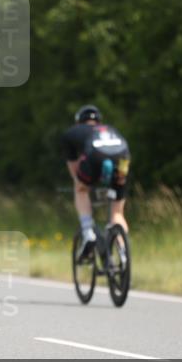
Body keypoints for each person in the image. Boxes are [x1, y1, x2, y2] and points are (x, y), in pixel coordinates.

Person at [61, 105, 131, 259]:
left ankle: (87, 232)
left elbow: (75, 172)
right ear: (98, 122)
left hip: (95, 155)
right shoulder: (110, 129)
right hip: (123, 155)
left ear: (79, 122)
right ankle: (124, 255)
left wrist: (84, 184)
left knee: (80, 189)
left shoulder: (72, 133)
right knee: (117, 213)